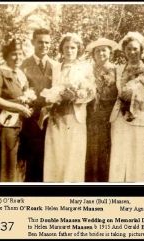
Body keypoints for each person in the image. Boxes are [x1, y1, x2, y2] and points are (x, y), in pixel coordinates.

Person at [109, 32, 144, 182]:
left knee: (137, 156)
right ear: (124, 51)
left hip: (139, 115)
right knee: (118, 156)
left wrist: (135, 95)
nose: (132, 52)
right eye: (128, 49)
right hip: (119, 116)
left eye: (135, 49)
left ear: (141, 50)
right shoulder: (118, 69)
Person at [43, 33, 96, 182]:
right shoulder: (55, 67)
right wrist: (54, 97)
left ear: (78, 49)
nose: (69, 51)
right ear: (61, 49)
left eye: (73, 47)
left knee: (73, 153)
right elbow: (53, 88)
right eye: (66, 47)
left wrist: (76, 96)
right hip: (57, 115)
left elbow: (91, 92)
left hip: (75, 115)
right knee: (56, 152)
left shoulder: (85, 67)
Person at [0, 38, 32, 182]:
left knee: (20, 162)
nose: (18, 57)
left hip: (22, 124)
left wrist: (27, 98)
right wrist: (18, 107)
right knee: (6, 163)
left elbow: (25, 94)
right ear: (6, 55)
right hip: (6, 123)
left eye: (20, 53)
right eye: (14, 54)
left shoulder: (20, 73)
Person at [21, 28, 56, 182]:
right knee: (32, 159)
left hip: (52, 118)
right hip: (30, 119)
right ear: (33, 42)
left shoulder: (56, 66)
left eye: (47, 42)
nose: (44, 45)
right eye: (40, 42)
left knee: (50, 158)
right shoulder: (24, 65)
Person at [85, 38, 118, 182]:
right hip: (90, 114)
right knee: (91, 148)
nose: (101, 53)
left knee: (107, 148)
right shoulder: (87, 70)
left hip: (109, 116)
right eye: (97, 51)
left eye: (104, 50)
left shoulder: (117, 70)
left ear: (110, 52)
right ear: (93, 54)